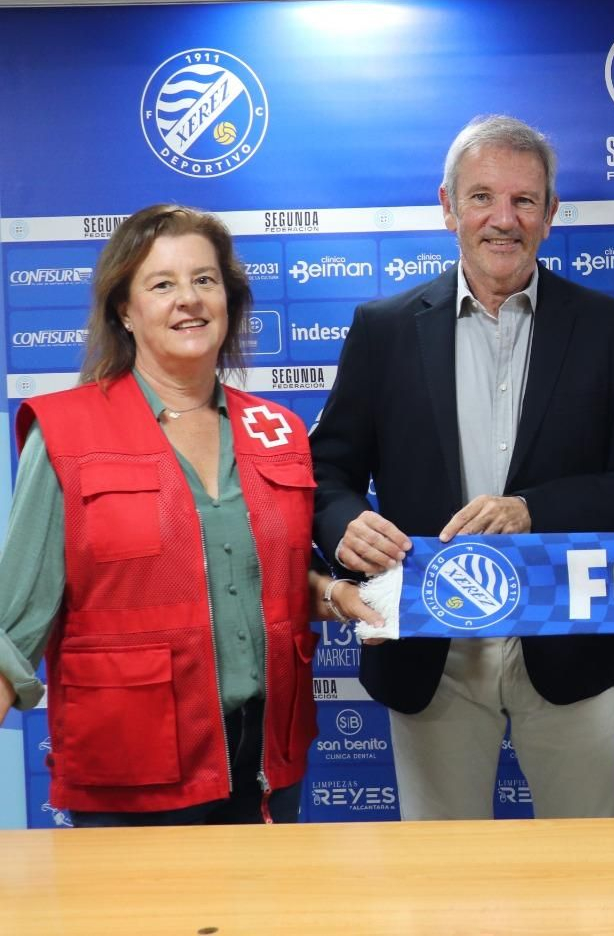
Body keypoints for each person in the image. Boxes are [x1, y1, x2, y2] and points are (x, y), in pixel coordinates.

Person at [311, 114, 614, 820]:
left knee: (591, 876)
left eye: (523, 200)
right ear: (448, 207)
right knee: (443, 883)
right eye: (481, 197)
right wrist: (344, 526)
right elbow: (327, 473)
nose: (502, 219)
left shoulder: (606, 329)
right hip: (430, 649)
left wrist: (531, 509)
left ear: (550, 214)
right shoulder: (383, 330)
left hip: (568, 640)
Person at [0, 204, 351, 826]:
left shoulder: (278, 430)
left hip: (265, 765)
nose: (188, 299)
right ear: (124, 311)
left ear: (228, 299)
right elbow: (14, 619)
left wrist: (329, 590)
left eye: (204, 280)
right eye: (162, 284)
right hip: (130, 774)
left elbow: (251, 571)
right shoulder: (65, 433)